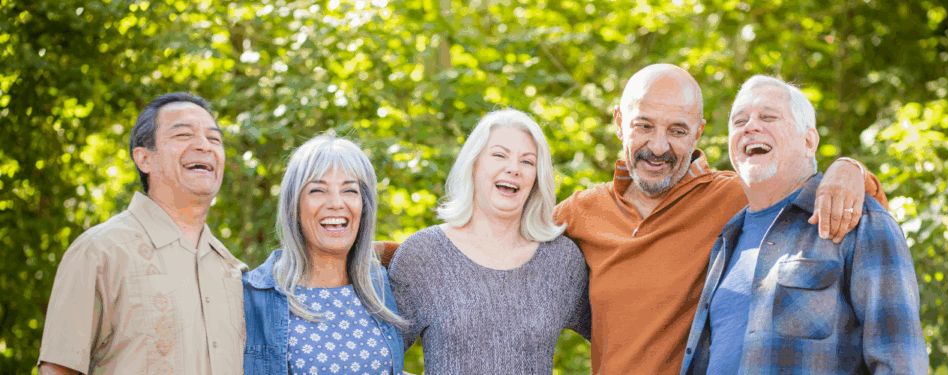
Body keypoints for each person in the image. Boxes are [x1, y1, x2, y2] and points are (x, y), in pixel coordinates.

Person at [552, 64, 890, 374]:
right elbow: (510, 242)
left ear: (698, 133)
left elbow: (859, 208)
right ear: (620, 122)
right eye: (644, 125)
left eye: (677, 131)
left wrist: (852, 169)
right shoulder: (581, 211)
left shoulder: (740, 196)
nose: (658, 146)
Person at [679, 75, 927, 373]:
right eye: (739, 121)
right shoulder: (725, 240)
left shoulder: (860, 222)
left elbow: (900, 362)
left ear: (809, 141)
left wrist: (851, 166)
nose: (751, 127)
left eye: (768, 117)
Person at [37, 92, 248, 375]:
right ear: (144, 159)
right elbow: (58, 370)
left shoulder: (233, 271)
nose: (204, 146)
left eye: (214, 139)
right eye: (184, 135)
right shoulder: (100, 251)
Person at [387, 109, 590, 374]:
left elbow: (619, 339)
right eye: (499, 155)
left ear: (537, 179)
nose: (514, 169)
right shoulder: (424, 254)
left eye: (527, 162)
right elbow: (377, 358)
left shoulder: (561, 260)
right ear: (473, 165)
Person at [242, 135, 406, 375]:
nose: (336, 203)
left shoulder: (385, 286)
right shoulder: (253, 297)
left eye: (349, 190)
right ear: (294, 206)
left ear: (364, 205)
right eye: (318, 190)